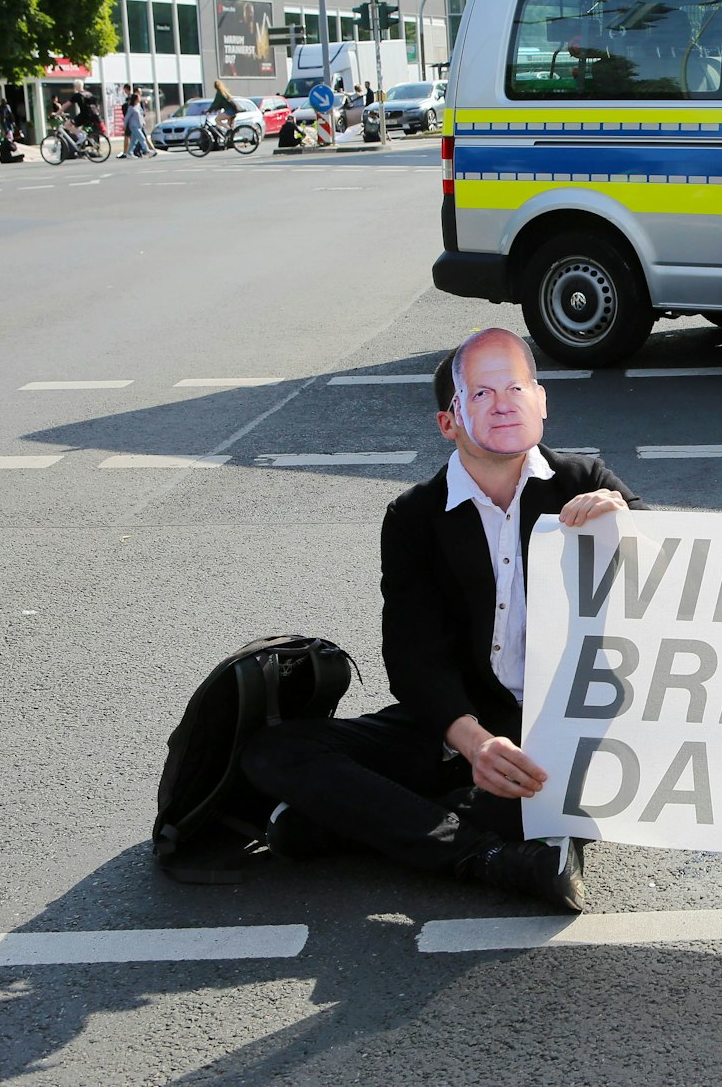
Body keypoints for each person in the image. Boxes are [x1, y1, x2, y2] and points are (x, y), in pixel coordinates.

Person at [241, 327, 644, 909]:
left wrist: (627, 521)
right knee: (274, 751)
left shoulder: (585, 484)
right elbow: (413, 655)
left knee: (563, 796)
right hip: (457, 724)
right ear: (447, 422)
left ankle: (346, 823)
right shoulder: (414, 515)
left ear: (541, 401)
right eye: (480, 394)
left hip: (558, 724)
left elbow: (676, 580)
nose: (503, 403)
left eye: (516, 387)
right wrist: (475, 744)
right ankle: (489, 856)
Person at [123, 89, 154, 159]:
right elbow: (127, 117)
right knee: (142, 138)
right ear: (135, 99)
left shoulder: (138, 106)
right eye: (138, 97)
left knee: (134, 140)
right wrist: (125, 125)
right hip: (133, 126)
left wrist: (143, 122)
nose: (140, 98)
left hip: (139, 125)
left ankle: (129, 153)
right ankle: (147, 150)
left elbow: (141, 115)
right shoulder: (131, 108)